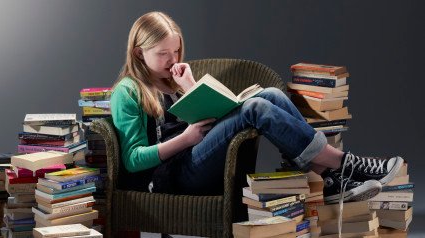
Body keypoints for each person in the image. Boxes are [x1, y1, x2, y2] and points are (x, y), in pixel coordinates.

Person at [109, 11, 404, 204]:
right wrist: (186, 138)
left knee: (271, 94)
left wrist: (190, 87)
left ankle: (324, 177)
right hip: (168, 179)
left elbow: (206, 118)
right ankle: (344, 164)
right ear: (139, 52)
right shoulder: (128, 91)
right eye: (163, 54)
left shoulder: (172, 80)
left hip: (196, 159)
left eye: (176, 51)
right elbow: (133, 160)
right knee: (256, 109)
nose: (173, 60)